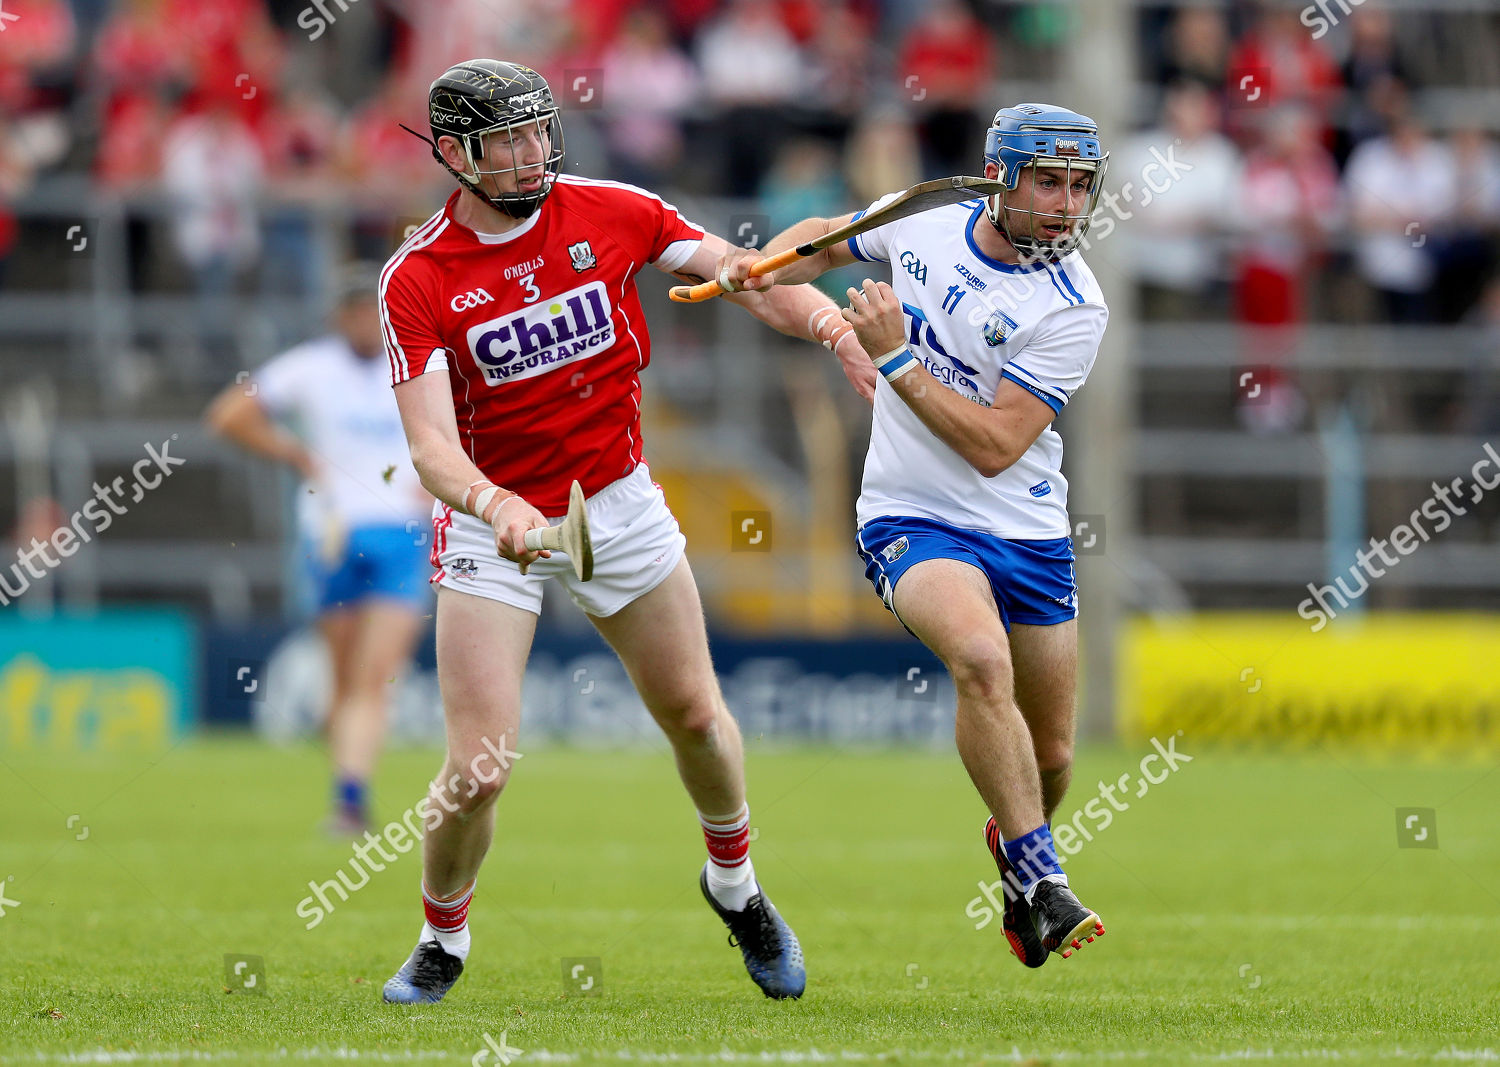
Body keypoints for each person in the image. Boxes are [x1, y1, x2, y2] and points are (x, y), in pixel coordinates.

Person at [377, 59, 873, 1005]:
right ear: (453, 154)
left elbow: (747, 275)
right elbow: (431, 449)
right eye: (505, 141)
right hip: (494, 516)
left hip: (617, 499)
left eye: (537, 132)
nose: (531, 155)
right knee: (480, 767)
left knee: (694, 714)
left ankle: (737, 885)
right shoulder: (419, 278)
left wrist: (831, 330)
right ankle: (444, 936)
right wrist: (498, 508)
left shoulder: (613, 208)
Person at [717, 103, 1111, 966]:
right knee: (980, 659)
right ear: (1000, 176)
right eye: (1049, 182)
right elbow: (826, 236)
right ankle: (1044, 880)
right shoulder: (927, 217)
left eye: (1079, 187)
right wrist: (768, 262)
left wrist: (895, 358)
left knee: (1050, 753)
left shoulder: (1076, 304)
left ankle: (1014, 858)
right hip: (910, 514)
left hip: (1026, 523)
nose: (1066, 205)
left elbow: (999, 445)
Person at [205, 265, 432, 835]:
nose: (364, 320)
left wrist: (435, 482)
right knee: (344, 678)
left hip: (404, 534)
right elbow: (227, 415)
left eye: (371, 310)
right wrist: (294, 454)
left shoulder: (421, 363)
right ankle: (347, 787)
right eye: (354, 310)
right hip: (333, 537)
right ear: (338, 316)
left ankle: (350, 798)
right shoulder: (307, 367)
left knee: (375, 674)